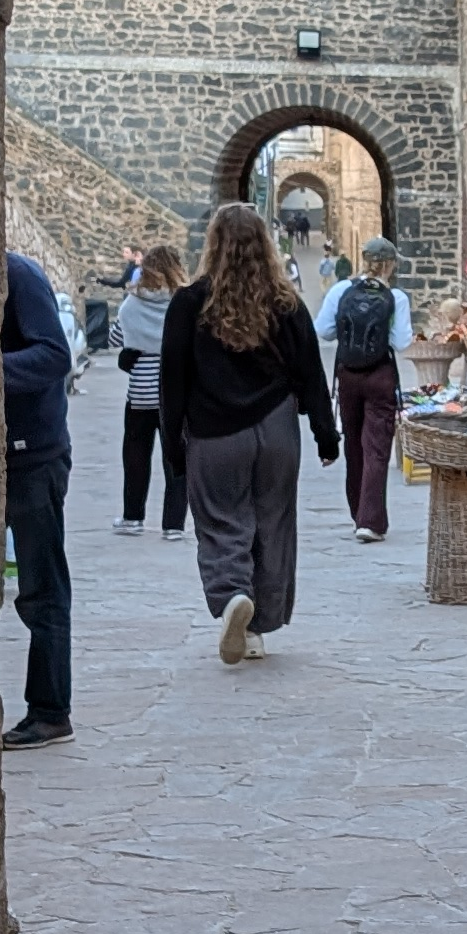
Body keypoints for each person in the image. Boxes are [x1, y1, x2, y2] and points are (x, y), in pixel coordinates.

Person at [160, 203, 339, 663]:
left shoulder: (189, 303)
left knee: (221, 522)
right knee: (273, 523)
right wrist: (325, 433)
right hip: (277, 428)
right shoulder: (288, 304)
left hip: (215, 432)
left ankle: (233, 596)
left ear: (213, 245)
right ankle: (257, 629)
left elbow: (172, 383)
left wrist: (172, 451)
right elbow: (312, 375)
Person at [0, 250, 74, 749]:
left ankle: (49, 712)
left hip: (34, 458)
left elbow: (54, 354)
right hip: (1, 453)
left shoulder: (18, 277)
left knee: (40, 589)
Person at [318, 232, 414, 541]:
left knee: (354, 445)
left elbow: (323, 331)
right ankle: (370, 521)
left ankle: (356, 511)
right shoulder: (395, 297)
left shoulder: (341, 291)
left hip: (348, 375)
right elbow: (401, 341)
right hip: (380, 375)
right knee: (376, 447)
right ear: (390, 265)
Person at [111, 237, 186, 534]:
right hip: (174, 391)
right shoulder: (183, 302)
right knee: (176, 457)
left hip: (141, 390)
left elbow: (116, 339)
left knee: (136, 454)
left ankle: (133, 517)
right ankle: (173, 524)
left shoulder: (132, 303)